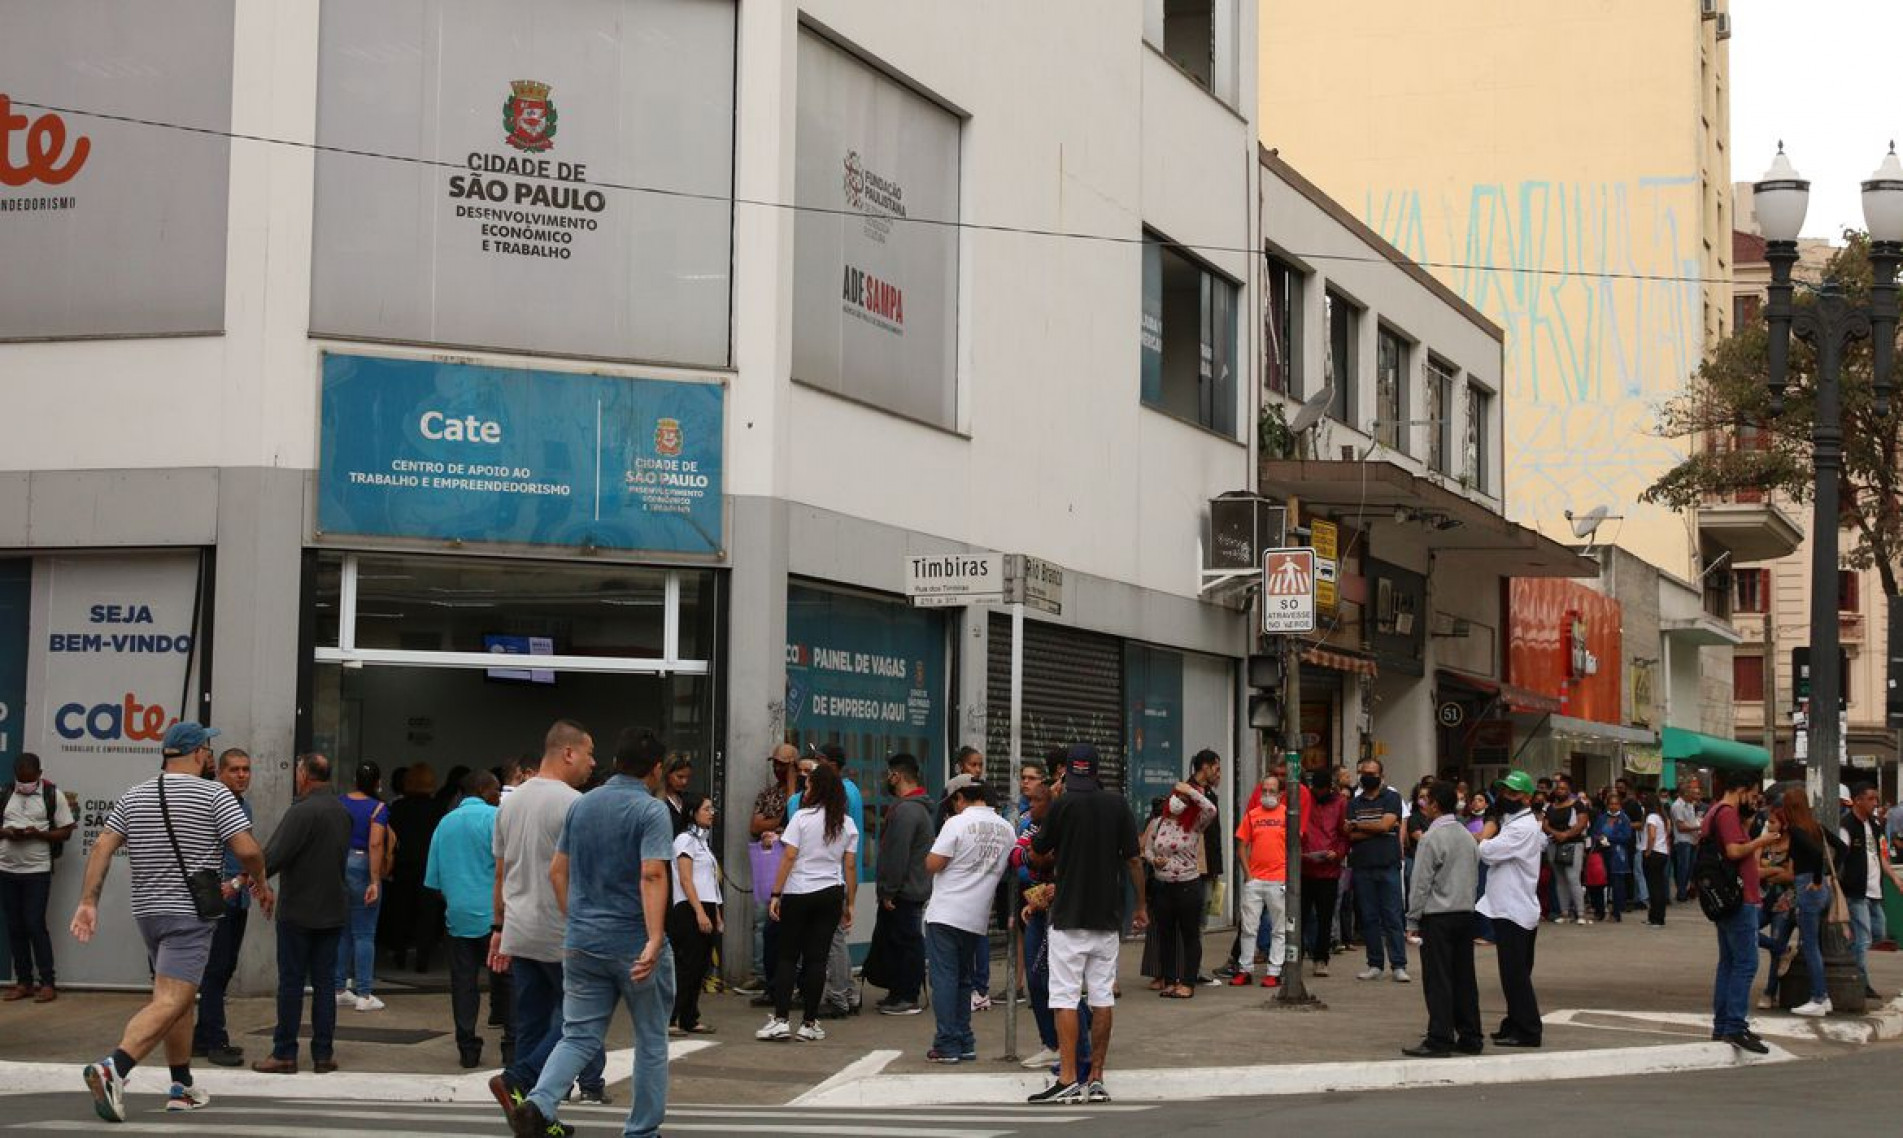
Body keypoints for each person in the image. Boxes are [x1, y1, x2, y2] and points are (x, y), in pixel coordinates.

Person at [71, 722, 273, 1121]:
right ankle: (115, 1067)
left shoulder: (135, 794)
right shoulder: (216, 794)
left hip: (148, 912)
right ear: (199, 753)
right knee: (173, 999)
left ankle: (181, 1086)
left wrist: (87, 901)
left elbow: (102, 846)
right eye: (209, 750)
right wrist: (262, 881)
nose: (211, 757)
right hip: (190, 912)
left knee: (177, 998)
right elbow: (248, 850)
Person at [509, 729, 675, 1138]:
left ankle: (540, 1102)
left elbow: (557, 871)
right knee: (651, 1039)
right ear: (655, 770)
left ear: (616, 763)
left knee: (578, 1034)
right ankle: (641, 1130)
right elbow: (652, 873)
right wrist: (654, 939)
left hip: (582, 942)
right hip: (633, 943)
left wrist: (576, 918)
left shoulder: (582, 806)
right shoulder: (650, 812)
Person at [488, 720, 607, 1121]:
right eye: (589, 753)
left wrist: (498, 927)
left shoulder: (510, 802)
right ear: (568, 752)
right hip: (563, 930)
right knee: (580, 1022)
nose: (593, 763)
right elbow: (586, 873)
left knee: (532, 1024)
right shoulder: (575, 804)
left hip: (521, 930)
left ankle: (533, 1114)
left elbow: (500, 873)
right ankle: (518, 1079)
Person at [1027, 744, 1147, 1106]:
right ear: (1097, 771)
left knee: (1064, 996)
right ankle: (1096, 1077)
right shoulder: (1118, 805)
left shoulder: (1063, 804)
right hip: (1107, 918)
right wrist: (1141, 905)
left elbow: (1037, 851)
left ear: (1069, 774)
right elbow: (1133, 861)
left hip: (1068, 917)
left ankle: (1067, 1079)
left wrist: (1054, 800)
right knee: (1102, 996)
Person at [252, 753, 351, 1075]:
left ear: (305, 775)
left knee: (291, 984)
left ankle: (285, 1052)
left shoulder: (302, 811)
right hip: (333, 909)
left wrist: (251, 877)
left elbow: (276, 854)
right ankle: (323, 1054)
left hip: (298, 911)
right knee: (324, 985)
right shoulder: (341, 811)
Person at [757, 762, 859, 1043]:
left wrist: (776, 894)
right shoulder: (846, 824)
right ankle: (809, 1023)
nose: (805, 789)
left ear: (818, 789)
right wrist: (850, 903)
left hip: (798, 890)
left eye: (809, 785)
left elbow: (788, 857)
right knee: (817, 958)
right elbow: (849, 867)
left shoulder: (801, 819)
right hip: (830, 893)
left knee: (788, 956)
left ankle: (780, 1020)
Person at [923, 778, 1015, 1062]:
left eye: (953, 801)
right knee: (963, 980)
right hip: (976, 916)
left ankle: (947, 1043)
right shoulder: (1007, 829)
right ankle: (965, 1041)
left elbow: (932, 864)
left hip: (946, 913)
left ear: (961, 797)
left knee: (944, 980)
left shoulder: (957, 824)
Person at [427, 770, 513, 1069]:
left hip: (458, 917)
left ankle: (467, 1047)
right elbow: (511, 868)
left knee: (464, 985)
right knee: (507, 981)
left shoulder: (445, 823)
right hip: (498, 918)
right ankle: (511, 1046)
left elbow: (434, 881)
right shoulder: (497, 819)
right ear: (481, 789)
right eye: (496, 789)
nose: (499, 795)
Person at [1403, 780, 1482, 1057]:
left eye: (1426, 800)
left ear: (1435, 805)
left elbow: (1421, 883)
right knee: (1464, 977)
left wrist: (1412, 920)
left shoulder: (1431, 838)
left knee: (1438, 980)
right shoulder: (1466, 836)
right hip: (1465, 912)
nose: (1423, 804)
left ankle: (1440, 1037)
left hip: (1437, 915)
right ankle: (1471, 1035)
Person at [788, 743, 867, 1017]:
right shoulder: (851, 791)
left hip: (831, 877)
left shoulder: (839, 793)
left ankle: (839, 995)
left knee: (832, 940)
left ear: (830, 764)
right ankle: (846, 992)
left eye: (819, 761)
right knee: (833, 938)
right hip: (840, 875)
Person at [1705, 767, 1775, 1053]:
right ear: (1741, 791)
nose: (1755, 800)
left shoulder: (1716, 812)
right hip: (1739, 898)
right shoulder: (1726, 813)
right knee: (1746, 963)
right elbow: (1734, 851)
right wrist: (1762, 840)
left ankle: (1724, 1025)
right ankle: (1734, 1025)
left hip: (1728, 898)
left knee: (1730, 963)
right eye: (1753, 795)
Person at [191, 748, 254, 1064]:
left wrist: (244, 881)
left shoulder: (246, 806)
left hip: (240, 895)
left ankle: (202, 1037)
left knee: (226, 966)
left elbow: (248, 851)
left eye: (246, 770)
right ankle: (216, 1040)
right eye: (235, 770)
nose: (242, 775)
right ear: (221, 773)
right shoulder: (213, 803)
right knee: (215, 970)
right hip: (217, 896)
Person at [1476, 770, 1545, 1048]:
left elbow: (1487, 851)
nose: (1507, 797)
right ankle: (1514, 1022)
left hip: (1514, 910)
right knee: (1515, 973)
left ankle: (1528, 1029)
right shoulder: (1514, 820)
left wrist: (1483, 835)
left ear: (1527, 797)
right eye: (1504, 791)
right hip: (1512, 907)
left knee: (1514, 974)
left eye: (1514, 793)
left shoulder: (1522, 828)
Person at [1, 751, 76, 1004]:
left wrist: (38, 834)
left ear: (39, 775)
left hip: (37, 871)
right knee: (15, 926)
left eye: (30, 780)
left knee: (34, 923)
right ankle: (23, 982)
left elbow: (65, 832)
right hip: (7, 870)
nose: (25, 784)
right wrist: (7, 832)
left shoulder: (52, 795)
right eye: (21, 780)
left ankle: (47, 983)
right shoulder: (5, 793)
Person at [872, 754, 933, 1016]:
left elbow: (897, 854)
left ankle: (907, 995)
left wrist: (889, 890)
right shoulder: (912, 807)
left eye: (889, 774)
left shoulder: (907, 810)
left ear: (897, 776)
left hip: (904, 891)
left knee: (906, 941)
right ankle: (898, 991)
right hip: (908, 888)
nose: (887, 779)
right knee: (898, 941)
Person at [740, 744, 801, 994]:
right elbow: (755, 826)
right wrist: (781, 823)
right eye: (775, 764)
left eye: (783, 765)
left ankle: (789, 977)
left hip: (795, 868)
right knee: (762, 918)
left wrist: (791, 786)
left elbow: (795, 819)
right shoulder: (768, 794)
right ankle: (763, 974)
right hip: (769, 864)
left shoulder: (804, 794)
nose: (777, 769)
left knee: (791, 924)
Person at [1347, 758, 1408, 982]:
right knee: (1369, 918)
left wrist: (1359, 825)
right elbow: (1350, 835)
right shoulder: (1354, 802)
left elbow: (1386, 824)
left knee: (1392, 916)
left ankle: (1399, 965)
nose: (1367, 776)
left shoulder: (1392, 797)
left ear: (1381, 776)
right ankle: (1375, 964)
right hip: (1363, 866)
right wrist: (1380, 828)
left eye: (1372, 773)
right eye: (1364, 772)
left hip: (1388, 865)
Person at [335, 762, 389, 1010]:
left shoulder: (339, 802)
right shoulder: (378, 807)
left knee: (343, 930)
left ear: (355, 780)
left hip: (339, 862)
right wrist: (375, 880)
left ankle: (338, 988)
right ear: (378, 782)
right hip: (362, 863)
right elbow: (376, 843)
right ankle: (365, 994)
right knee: (364, 932)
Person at [1839, 782, 1901, 1000]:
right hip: (1857, 891)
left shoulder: (1874, 825)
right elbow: (1840, 857)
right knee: (1864, 939)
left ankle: (1848, 951)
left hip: (1875, 890)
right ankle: (1861, 982)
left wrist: (1894, 878)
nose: (1875, 803)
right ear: (1858, 800)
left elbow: (1880, 856)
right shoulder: (1847, 826)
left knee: (1879, 931)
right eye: (1871, 799)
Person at [668, 792, 722, 1035]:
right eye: (707, 809)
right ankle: (672, 1017)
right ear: (693, 813)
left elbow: (710, 881)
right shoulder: (684, 840)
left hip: (707, 905)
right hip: (690, 907)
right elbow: (686, 879)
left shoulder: (702, 842)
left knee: (700, 965)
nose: (712, 813)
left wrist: (716, 914)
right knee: (687, 965)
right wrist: (700, 912)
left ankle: (690, 1017)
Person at [384, 761, 445, 974]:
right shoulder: (438, 808)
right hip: (428, 865)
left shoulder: (399, 807)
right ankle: (423, 960)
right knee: (426, 914)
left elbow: (391, 837)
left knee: (401, 911)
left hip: (403, 864)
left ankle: (399, 955)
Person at [1233, 771, 1290, 988]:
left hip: (1279, 880)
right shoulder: (1252, 815)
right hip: (1255, 881)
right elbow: (1241, 845)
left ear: (1281, 794)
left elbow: (1295, 846)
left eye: (1272, 791)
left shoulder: (1287, 815)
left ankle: (1274, 971)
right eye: (1264, 791)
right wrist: (1248, 875)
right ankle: (1245, 969)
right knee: (1248, 927)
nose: (1267, 794)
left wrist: (1287, 875)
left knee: (1279, 929)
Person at [1299, 767, 1348, 976]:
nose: (1318, 793)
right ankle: (1296, 956)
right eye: (1315, 789)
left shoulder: (1340, 803)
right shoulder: (1304, 800)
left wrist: (1337, 854)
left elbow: (1345, 835)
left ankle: (1321, 958)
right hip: (1304, 867)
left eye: (1322, 790)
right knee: (1298, 916)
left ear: (1330, 787)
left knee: (1325, 917)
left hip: (1328, 870)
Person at [1542, 776, 1588, 924]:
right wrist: (1557, 834)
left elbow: (1582, 823)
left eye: (1563, 788)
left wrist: (1566, 835)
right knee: (1560, 879)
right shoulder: (1551, 807)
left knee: (1573, 878)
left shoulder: (1578, 805)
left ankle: (1580, 913)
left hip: (1573, 844)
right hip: (1554, 844)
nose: (1560, 791)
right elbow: (1545, 824)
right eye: (1558, 788)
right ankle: (1564, 912)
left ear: (1569, 790)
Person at [1589, 794, 1633, 922]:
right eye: (1611, 803)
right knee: (1598, 883)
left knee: (1617, 884)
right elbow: (1594, 832)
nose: (1613, 806)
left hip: (1617, 855)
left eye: (1616, 803)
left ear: (1620, 805)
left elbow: (1626, 837)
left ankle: (1616, 913)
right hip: (1601, 853)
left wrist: (1609, 839)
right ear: (1607, 805)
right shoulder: (1602, 818)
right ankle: (1599, 911)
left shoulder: (1624, 819)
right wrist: (1599, 838)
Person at [1671, 778, 1704, 902]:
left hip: (1692, 840)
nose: (1694, 795)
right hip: (1682, 841)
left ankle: (1685, 890)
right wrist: (1699, 826)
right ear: (1685, 793)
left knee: (1690, 868)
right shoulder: (1677, 806)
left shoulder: (1690, 805)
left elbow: (1691, 821)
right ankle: (1681, 892)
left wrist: (1697, 832)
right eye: (1691, 792)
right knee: (1683, 868)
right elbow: (1681, 827)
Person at [1640, 793, 1670, 928]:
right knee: (1659, 886)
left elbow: (1651, 835)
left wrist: (1648, 850)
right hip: (1662, 852)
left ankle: (1656, 918)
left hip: (1654, 853)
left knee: (1653, 887)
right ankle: (1656, 917)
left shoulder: (1651, 817)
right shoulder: (1662, 817)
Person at [661, 757, 694, 836]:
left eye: (688, 777)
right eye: (680, 777)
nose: (684, 782)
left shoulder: (686, 800)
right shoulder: (657, 801)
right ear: (667, 774)